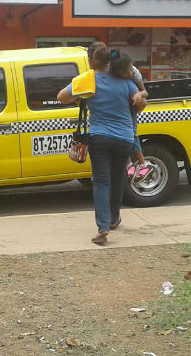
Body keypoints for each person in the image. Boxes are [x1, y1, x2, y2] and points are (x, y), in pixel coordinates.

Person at [58, 43, 146, 245]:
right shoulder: (124, 81)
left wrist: (80, 98)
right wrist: (137, 97)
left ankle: (103, 227)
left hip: (100, 138)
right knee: (117, 179)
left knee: (101, 181)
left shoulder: (87, 81)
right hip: (124, 138)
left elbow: (62, 97)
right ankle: (114, 219)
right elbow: (140, 104)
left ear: (90, 62)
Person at [108, 51, 154, 183]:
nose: (129, 73)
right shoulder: (110, 74)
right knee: (124, 136)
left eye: (130, 68)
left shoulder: (135, 73)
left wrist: (139, 95)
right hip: (119, 106)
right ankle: (129, 164)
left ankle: (142, 164)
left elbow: (145, 92)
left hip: (131, 106)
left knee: (132, 134)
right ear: (118, 73)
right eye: (125, 72)